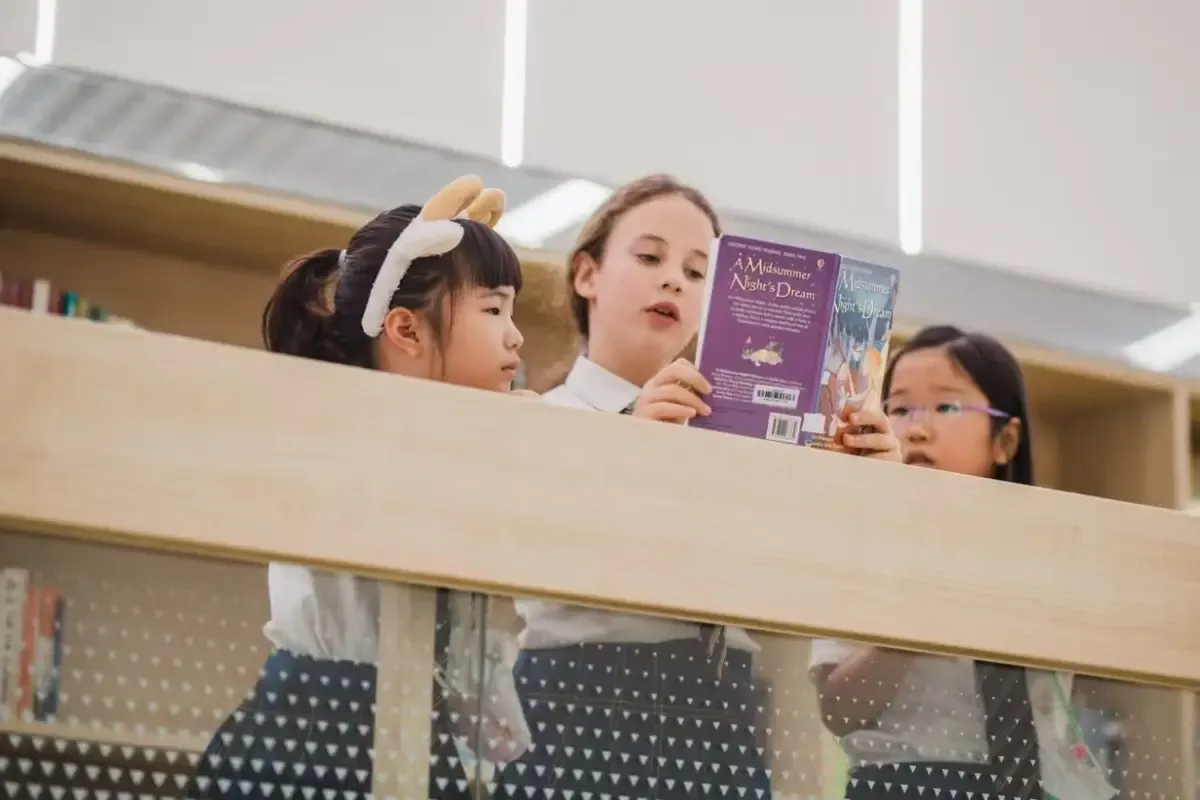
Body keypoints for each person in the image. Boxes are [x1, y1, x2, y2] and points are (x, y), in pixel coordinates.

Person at [491, 175, 901, 799]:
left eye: (698, 271)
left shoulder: (748, 444)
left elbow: (804, 585)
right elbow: (523, 557)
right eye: (649, 257)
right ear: (586, 275)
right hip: (578, 702)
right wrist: (632, 443)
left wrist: (866, 483)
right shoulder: (538, 418)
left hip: (723, 715)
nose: (673, 281)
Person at [186, 176, 532, 800]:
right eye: (493, 309)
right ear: (405, 330)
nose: (516, 335)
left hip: (400, 726)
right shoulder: (348, 438)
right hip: (320, 730)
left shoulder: (458, 450)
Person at [809, 325, 1111, 800]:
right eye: (900, 408)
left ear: (1005, 441)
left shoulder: (1047, 555)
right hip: (904, 784)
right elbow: (838, 709)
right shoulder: (862, 547)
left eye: (946, 406)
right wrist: (928, 614)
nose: (917, 427)